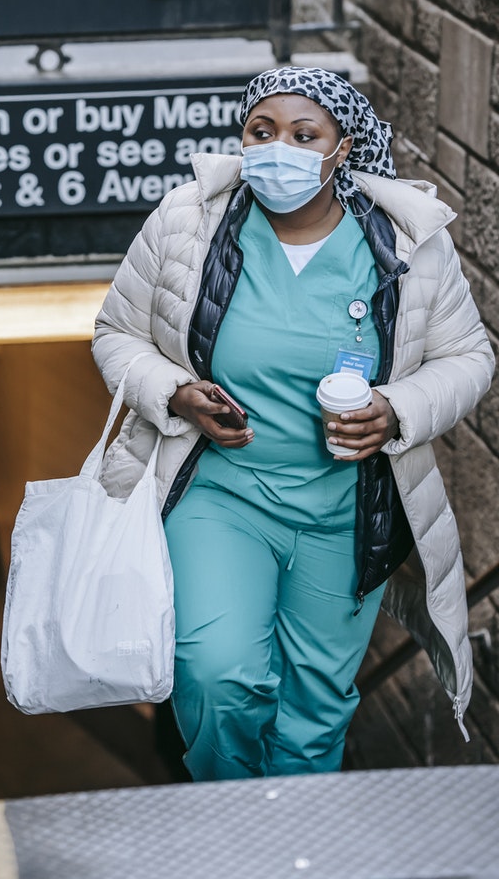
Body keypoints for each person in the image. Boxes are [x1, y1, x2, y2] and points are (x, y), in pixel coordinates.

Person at [92, 64, 494, 781]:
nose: (279, 147)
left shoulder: (407, 244)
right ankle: (231, 819)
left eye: (304, 135)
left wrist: (396, 411)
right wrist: (178, 391)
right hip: (224, 494)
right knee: (216, 675)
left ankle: (297, 846)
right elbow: (115, 335)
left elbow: (468, 358)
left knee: (316, 709)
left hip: (346, 511)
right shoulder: (188, 222)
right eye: (262, 131)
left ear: (343, 149)